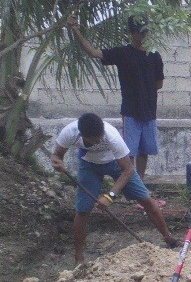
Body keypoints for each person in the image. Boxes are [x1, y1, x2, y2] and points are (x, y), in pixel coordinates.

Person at [50, 113, 179, 265]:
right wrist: (57, 163)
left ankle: (168, 237)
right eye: (95, 140)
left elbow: (128, 170)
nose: (99, 141)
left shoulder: (112, 136)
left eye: (100, 137)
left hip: (116, 164)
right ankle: (79, 258)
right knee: (83, 209)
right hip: (88, 165)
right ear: (83, 135)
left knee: (146, 199)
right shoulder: (69, 132)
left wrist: (109, 196)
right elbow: (57, 156)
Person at [68, 15, 163, 179]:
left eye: (145, 32)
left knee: (144, 151)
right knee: (129, 151)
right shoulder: (122, 53)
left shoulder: (154, 56)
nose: (142, 36)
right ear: (130, 33)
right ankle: (131, 182)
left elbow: (159, 84)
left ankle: (140, 182)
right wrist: (76, 30)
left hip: (149, 111)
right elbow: (93, 53)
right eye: (139, 32)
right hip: (131, 111)